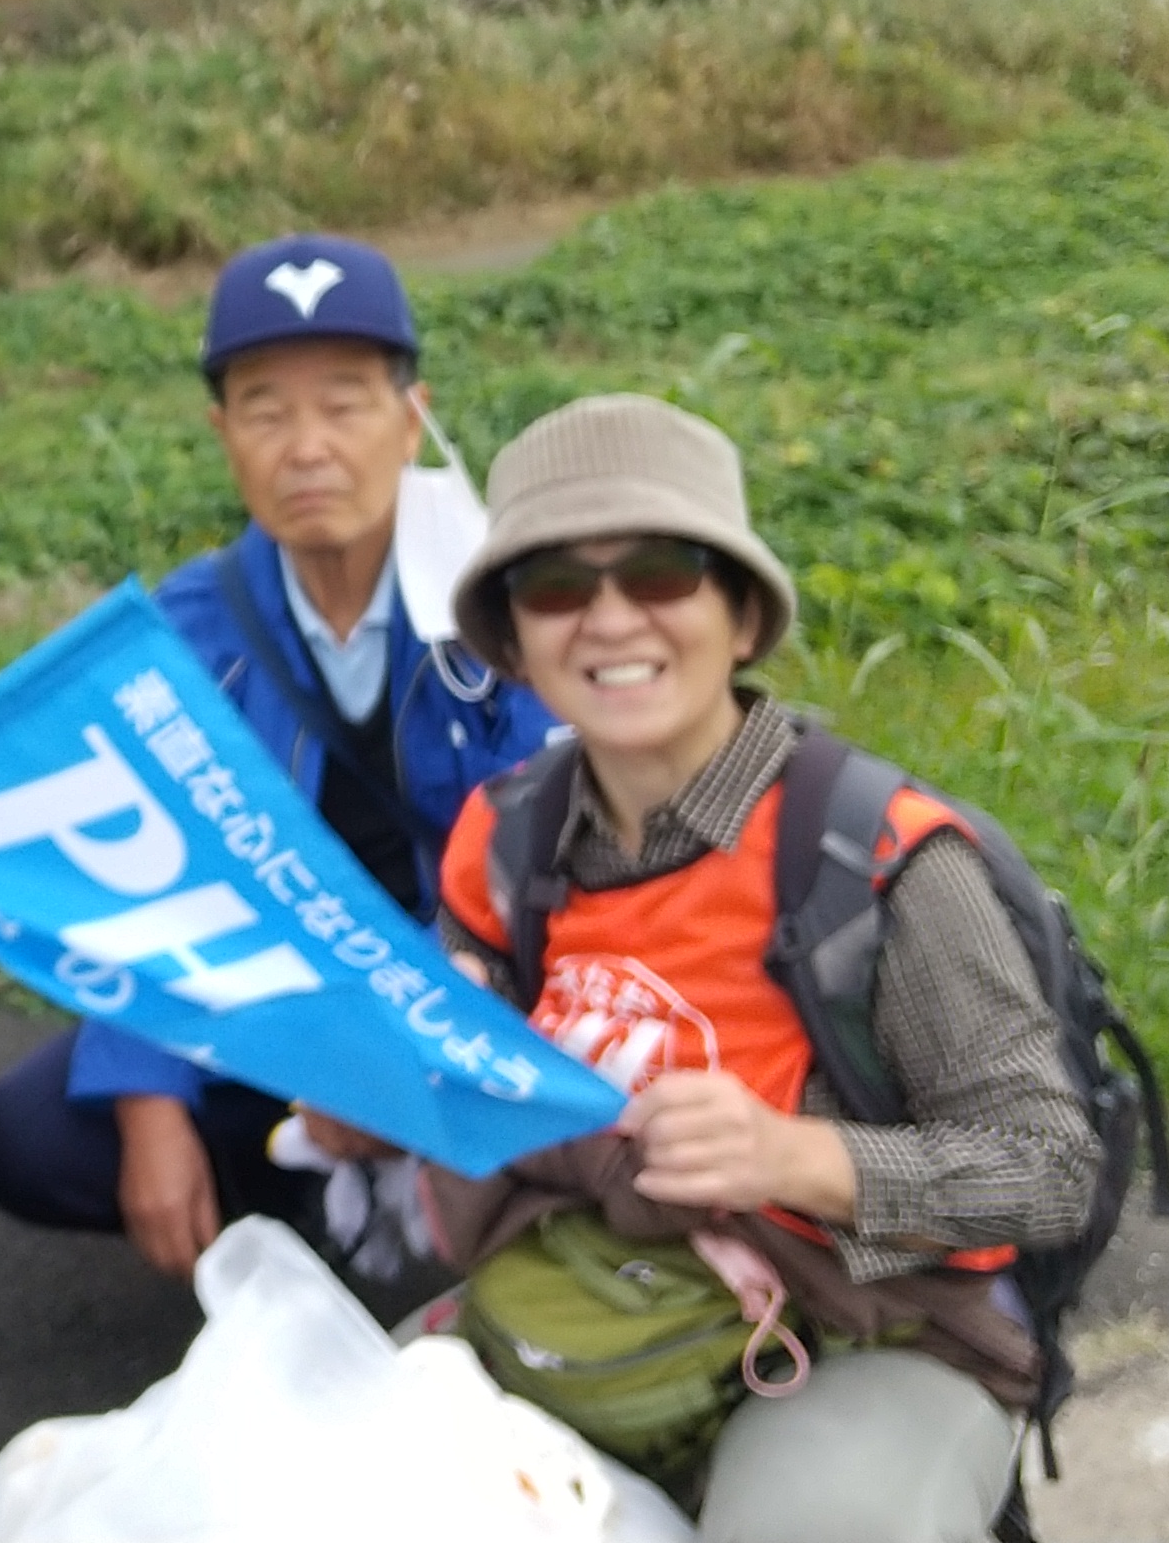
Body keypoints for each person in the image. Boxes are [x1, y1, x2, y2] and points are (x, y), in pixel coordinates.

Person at [421, 395, 1102, 1541]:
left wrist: (797, 1155)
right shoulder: (506, 840)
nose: (609, 618)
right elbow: (474, 1086)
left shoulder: (875, 859)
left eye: (662, 572)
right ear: (517, 644)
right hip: (605, 1301)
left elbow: (1046, 1170)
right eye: (555, 588)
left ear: (740, 617)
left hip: (871, 1329)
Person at [0, 234, 563, 1278]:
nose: (307, 447)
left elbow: (543, 876)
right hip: (278, 1007)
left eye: (343, 403)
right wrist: (150, 1110)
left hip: (477, 997)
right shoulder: (183, 631)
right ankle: (303, 1201)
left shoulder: (508, 606)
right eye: (265, 409)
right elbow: (146, 884)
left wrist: (397, 1058)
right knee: (27, 1138)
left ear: (411, 416)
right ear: (222, 432)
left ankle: (446, 1199)